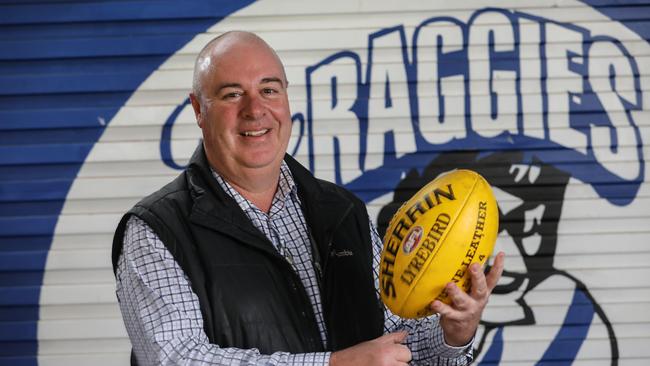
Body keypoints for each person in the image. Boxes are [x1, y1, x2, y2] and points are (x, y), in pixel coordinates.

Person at [112, 30, 505, 366]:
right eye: (232, 95)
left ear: (286, 100)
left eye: (269, 89)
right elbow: (180, 359)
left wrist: (454, 330)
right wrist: (333, 364)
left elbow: (396, 343)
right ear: (199, 109)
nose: (255, 110)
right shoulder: (157, 231)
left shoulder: (342, 212)